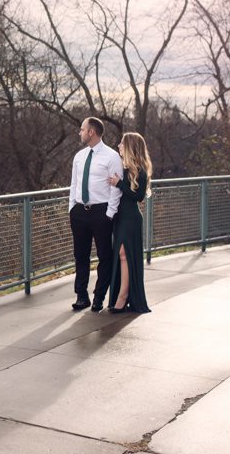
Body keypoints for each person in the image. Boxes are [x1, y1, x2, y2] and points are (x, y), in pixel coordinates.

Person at [68, 117, 123, 312]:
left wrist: (109, 214)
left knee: (104, 257)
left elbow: (117, 188)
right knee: (80, 256)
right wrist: (72, 207)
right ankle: (81, 296)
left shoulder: (112, 156)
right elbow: (74, 183)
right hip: (80, 212)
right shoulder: (79, 156)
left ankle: (99, 297)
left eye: (82, 129)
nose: (80, 132)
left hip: (102, 212)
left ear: (91, 132)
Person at [107, 132, 152, 314]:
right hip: (120, 217)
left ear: (130, 147)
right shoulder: (122, 168)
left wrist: (119, 184)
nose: (118, 146)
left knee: (124, 254)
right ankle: (121, 295)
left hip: (131, 218)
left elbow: (138, 197)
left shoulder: (139, 171)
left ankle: (123, 297)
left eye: (121, 143)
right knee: (121, 255)